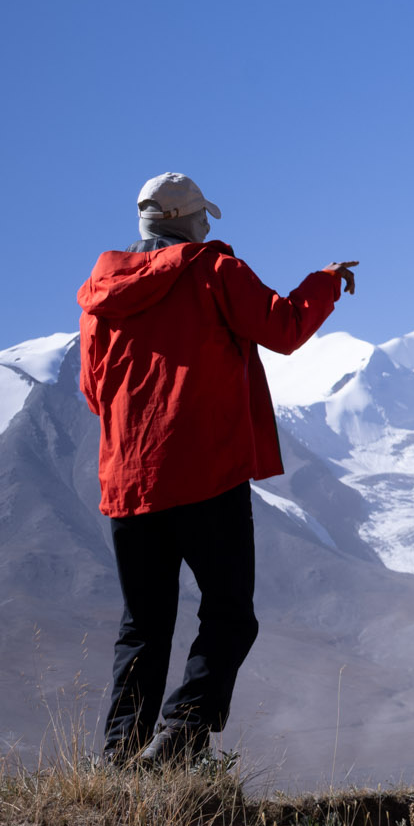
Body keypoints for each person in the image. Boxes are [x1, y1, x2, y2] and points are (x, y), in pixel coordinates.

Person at [75, 173, 356, 766]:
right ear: (192, 220)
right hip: (206, 476)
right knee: (228, 612)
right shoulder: (214, 272)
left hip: (131, 484)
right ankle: (181, 733)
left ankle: (119, 757)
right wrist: (324, 283)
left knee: (143, 626)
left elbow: (94, 389)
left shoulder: (100, 294)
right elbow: (283, 328)